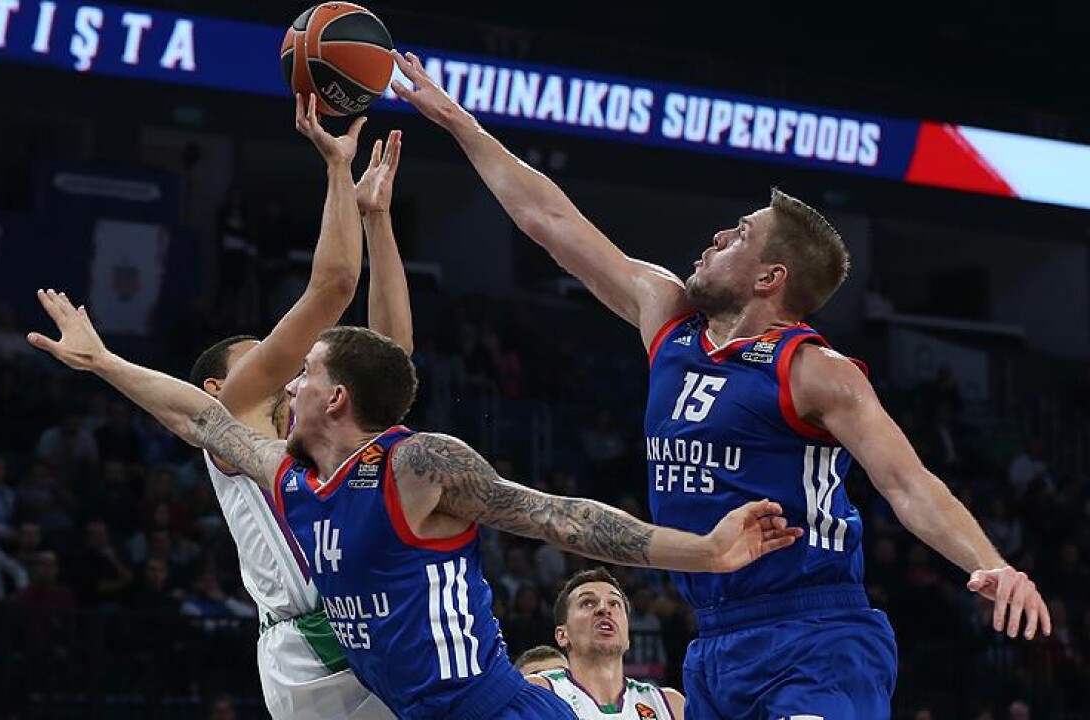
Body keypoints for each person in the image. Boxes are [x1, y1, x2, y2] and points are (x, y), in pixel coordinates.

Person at [387, 49, 1051, 718]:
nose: (716, 235)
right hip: (714, 643)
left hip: (815, 636)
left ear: (770, 278)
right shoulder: (668, 319)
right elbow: (551, 224)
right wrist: (459, 122)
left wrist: (987, 563)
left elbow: (908, 484)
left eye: (739, 235)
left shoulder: (815, 370)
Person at [27, 290, 800, 719]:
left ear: (337, 397)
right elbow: (204, 419)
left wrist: (704, 551)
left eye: (305, 374)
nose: (288, 384)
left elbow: (557, 516)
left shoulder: (418, 464)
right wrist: (103, 362)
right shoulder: (295, 479)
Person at [183, 93, 403, 719]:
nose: (283, 374)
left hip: (370, 615)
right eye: (263, 361)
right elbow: (334, 285)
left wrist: (377, 219)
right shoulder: (232, 423)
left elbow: (392, 357)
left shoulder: (322, 431)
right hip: (306, 642)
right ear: (217, 391)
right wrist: (337, 167)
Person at [528, 568, 684, 720]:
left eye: (614, 603)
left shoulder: (670, 705)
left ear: (627, 637)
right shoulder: (540, 693)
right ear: (562, 635)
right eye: (588, 603)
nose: (604, 609)